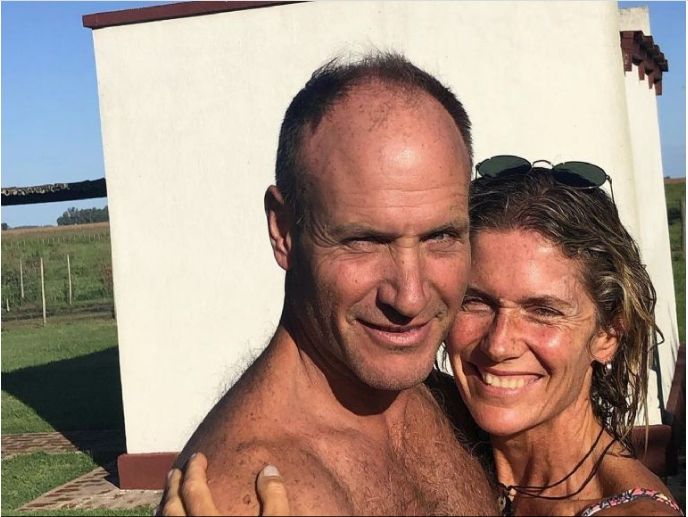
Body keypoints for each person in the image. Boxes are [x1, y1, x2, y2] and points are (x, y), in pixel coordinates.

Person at [161, 162, 684, 516]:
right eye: (477, 302)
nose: (499, 344)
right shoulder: (440, 424)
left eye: (543, 311)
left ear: (608, 334)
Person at [160, 53, 498, 516]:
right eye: (364, 241)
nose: (410, 296)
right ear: (283, 230)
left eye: (441, 236)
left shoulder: (454, 405)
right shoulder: (244, 493)